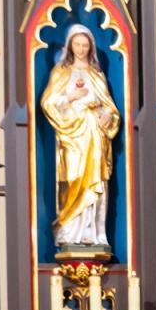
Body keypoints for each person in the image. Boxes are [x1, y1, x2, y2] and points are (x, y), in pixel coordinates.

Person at [41, 25, 120, 252]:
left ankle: (93, 234)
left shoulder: (97, 75)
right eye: (77, 44)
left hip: (94, 135)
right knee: (74, 178)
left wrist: (107, 115)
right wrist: (70, 97)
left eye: (85, 45)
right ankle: (70, 230)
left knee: (95, 183)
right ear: (70, 46)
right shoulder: (61, 73)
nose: (81, 49)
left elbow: (110, 108)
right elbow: (48, 103)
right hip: (72, 137)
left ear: (91, 47)